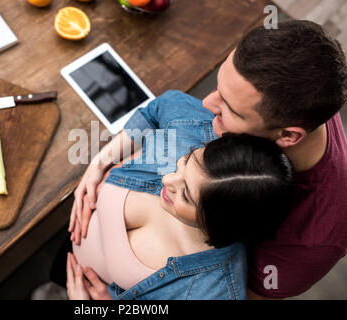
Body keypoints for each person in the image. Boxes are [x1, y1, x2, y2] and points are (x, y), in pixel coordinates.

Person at [70, 20, 347, 299]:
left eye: (230, 109)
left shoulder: (314, 241)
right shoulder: (289, 84)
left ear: (288, 135)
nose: (206, 104)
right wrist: (103, 161)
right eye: (219, 88)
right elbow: (166, 110)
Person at [62, 89, 293, 300]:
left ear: (218, 226)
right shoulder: (195, 131)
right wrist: (100, 163)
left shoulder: (213, 292)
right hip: (70, 241)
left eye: (186, 195)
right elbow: (159, 108)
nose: (167, 179)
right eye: (185, 162)